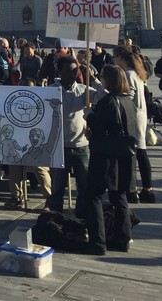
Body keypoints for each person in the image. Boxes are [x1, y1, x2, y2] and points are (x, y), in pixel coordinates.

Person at [46, 57, 105, 217]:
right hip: (60, 148)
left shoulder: (83, 90)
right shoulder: (50, 90)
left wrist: (94, 80)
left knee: (84, 186)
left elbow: (105, 98)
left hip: (81, 146)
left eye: (75, 71)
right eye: (68, 71)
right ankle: (55, 217)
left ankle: (82, 216)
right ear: (59, 71)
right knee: (57, 187)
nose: (72, 74)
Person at [85, 64, 135, 254]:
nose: (101, 78)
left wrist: (89, 115)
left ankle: (98, 242)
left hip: (105, 155)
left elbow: (98, 127)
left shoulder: (108, 101)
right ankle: (123, 238)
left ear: (110, 80)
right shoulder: (128, 100)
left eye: (103, 76)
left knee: (94, 196)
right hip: (124, 155)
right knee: (119, 196)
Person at [112, 46, 154, 203]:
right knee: (141, 152)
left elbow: (128, 97)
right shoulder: (136, 73)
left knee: (137, 153)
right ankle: (147, 188)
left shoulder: (128, 75)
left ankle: (141, 188)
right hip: (139, 114)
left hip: (133, 116)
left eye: (115, 57)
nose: (114, 60)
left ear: (121, 58)